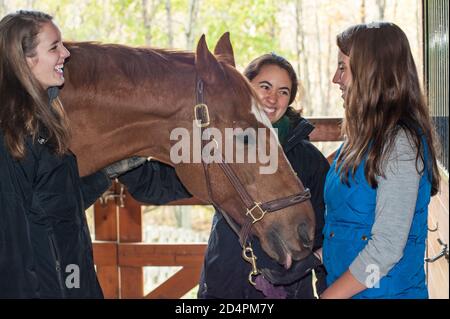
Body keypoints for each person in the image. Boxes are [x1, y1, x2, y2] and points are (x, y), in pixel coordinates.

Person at [0, 10, 190, 298]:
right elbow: (11, 239)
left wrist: (106, 173)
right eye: (54, 47)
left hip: (74, 278)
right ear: (24, 59)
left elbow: (55, 205)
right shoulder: (11, 133)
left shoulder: (46, 120)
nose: (65, 53)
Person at [319, 22, 441, 299]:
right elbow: (347, 227)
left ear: (370, 73)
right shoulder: (359, 141)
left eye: (342, 68)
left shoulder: (401, 144)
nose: (335, 79)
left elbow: (386, 250)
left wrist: (328, 297)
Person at [197, 53, 330, 299]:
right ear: (245, 88)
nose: (273, 97)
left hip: (286, 291)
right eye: (265, 87)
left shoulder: (309, 160)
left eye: (283, 91)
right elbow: (162, 183)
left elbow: (323, 233)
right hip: (223, 286)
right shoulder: (222, 145)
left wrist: (316, 284)